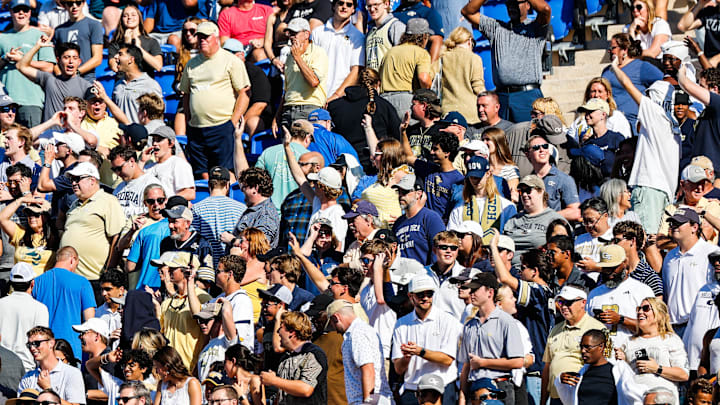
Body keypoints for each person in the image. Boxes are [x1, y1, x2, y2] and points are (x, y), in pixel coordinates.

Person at [610, 55, 680, 234]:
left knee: (644, 241)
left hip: (649, 188)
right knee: (655, 242)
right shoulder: (674, 123)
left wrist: (615, 67)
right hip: (666, 191)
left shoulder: (654, 112)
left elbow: (627, 84)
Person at [178, 21, 250, 179]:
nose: (202, 40)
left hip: (222, 126)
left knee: (226, 173)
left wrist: (233, 121)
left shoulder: (230, 60)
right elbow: (186, 94)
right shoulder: (191, 64)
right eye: (200, 37)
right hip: (197, 128)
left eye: (206, 37)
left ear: (216, 37)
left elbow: (244, 93)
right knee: (202, 174)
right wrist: (189, 120)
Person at [461, 0, 551, 121]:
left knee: (529, 136)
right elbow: (467, 12)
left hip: (527, 96)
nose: (512, 7)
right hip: (501, 97)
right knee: (500, 138)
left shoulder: (536, 28)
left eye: (516, 2)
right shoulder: (497, 28)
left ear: (528, 4)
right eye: (509, 3)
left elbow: (545, 9)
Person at [391, 275, 462, 404]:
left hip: (442, 387)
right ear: (410, 296)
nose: (425, 298)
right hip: (413, 387)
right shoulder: (401, 324)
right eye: (420, 295)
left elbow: (447, 359)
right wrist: (406, 358)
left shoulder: (448, 320)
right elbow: (399, 369)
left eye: (429, 294)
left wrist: (420, 352)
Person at [459, 273, 524, 404]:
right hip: (475, 388)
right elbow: (466, 365)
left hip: (499, 387)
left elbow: (518, 361)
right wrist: (462, 396)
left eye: (476, 289)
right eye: (470, 290)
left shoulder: (506, 321)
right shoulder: (469, 325)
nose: (471, 294)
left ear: (490, 292)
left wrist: (483, 363)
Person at [59, 162, 126, 283]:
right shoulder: (74, 205)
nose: (73, 183)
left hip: (94, 278)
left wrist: (109, 271)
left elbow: (117, 236)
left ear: (92, 180)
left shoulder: (108, 200)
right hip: (69, 277)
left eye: (77, 179)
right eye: (72, 180)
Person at [541, 285, 606, 405]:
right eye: (560, 302)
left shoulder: (597, 329)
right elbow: (547, 368)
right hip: (556, 398)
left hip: (582, 397)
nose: (563, 307)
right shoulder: (555, 330)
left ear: (583, 303)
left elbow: (604, 366)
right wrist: (543, 401)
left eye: (568, 302)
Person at [327, 68, 401, 172]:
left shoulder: (334, 106)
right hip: (374, 165)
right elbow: (397, 137)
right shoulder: (384, 106)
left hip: (343, 165)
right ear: (378, 84)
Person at [616, 298, 689, 402]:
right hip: (635, 399)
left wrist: (657, 368)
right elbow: (625, 376)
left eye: (646, 308)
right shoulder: (628, 342)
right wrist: (622, 361)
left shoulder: (670, 339)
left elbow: (683, 374)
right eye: (638, 309)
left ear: (659, 315)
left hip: (662, 399)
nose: (640, 312)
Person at [661, 207, 717, 337]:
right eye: (672, 223)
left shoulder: (712, 253)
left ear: (694, 227)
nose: (674, 227)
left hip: (702, 326)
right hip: (673, 328)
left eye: (679, 223)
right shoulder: (670, 257)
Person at [586, 244, 655, 348]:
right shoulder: (594, 294)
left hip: (633, 354)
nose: (609, 273)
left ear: (624, 263)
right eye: (605, 268)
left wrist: (621, 320)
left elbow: (653, 328)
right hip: (603, 357)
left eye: (613, 268)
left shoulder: (642, 291)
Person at [0, 0, 56, 128]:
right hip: (5, 102)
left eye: (25, 10)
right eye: (17, 10)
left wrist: (22, 59)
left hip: (31, 100)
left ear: (30, 13)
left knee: (30, 143)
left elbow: (48, 67)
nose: (21, 13)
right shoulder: (2, 38)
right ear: (10, 12)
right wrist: (5, 58)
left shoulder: (40, 35)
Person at [32, 246, 95, 358]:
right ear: (73, 259)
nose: (76, 268)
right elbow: (90, 320)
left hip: (43, 346)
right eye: (77, 264)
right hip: (71, 348)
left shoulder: (37, 282)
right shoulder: (82, 282)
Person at [327, 300, 392, 405]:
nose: (334, 329)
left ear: (336, 318)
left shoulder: (357, 333)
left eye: (332, 324)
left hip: (369, 400)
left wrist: (368, 402)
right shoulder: (360, 331)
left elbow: (368, 369)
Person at [555, 329, 645, 405]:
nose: (583, 351)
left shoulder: (618, 372)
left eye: (588, 347)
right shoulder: (582, 373)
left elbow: (637, 394)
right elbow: (569, 401)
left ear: (601, 347)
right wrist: (560, 381)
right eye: (581, 347)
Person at [16, 39, 92, 123]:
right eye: (66, 57)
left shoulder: (86, 86)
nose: (71, 61)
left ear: (79, 61)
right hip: (49, 134)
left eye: (74, 58)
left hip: (72, 134)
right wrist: (37, 47)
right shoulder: (49, 79)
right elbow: (21, 66)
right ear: (58, 60)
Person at [259, 311, 328, 404]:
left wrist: (274, 380)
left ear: (291, 332)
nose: (278, 332)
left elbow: (306, 388)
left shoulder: (313, 355)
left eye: (281, 328)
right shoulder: (286, 356)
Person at [602, 33, 663, 132]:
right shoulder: (606, 71)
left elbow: (663, 82)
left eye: (613, 48)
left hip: (631, 123)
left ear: (624, 49)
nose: (610, 51)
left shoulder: (641, 67)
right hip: (609, 122)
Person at [447, 156, 516, 240]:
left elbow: (511, 238)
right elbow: (452, 236)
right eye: (472, 177)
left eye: (479, 176)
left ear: (488, 174)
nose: (476, 180)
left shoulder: (506, 206)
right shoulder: (459, 207)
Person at [277, 18, 329, 127]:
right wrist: (277, 116)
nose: (291, 37)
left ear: (306, 34)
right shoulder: (290, 57)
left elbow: (314, 82)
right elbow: (287, 90)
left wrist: (297, 57)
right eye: (289, 33)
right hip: (288, 109)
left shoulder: (318, 52)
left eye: (295, 33)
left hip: (309, 109)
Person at [503, 175, 565, 266]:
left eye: (528, 190)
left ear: (541, 192)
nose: (524, 194)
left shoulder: (555, 220)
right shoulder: (513, 220)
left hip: (537, 271)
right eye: (521, 191)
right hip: (509, 270)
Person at [309, 0, 365, 102]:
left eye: (349, 4)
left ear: (353, 9)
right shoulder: (317, 33)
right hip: (314, 98)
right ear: (334, 6)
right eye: (340, 3)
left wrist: (335, 96)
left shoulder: (358, 37)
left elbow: (356, 71)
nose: (344, 7)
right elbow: (310, 65)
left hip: (341, 99)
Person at [379, 18, 433, 120]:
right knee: (411, 133)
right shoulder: (421, 53)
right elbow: (424, 79)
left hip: (383, 100)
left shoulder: (390, 52)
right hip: (406, 101)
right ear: (423, 36)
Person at [191, 166, 246, 266]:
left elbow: (194, 241)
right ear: (227, 185)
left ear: (209, 185)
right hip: (232, 269)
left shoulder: (196, 209)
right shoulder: (241, 208)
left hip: (206, 269)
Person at [0, 263, 49, 372]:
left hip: (2, 367)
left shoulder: (1, 304)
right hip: (26, 368)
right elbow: (41, 344)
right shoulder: (40, 308)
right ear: (32, 283)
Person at [18, 326, 86, 404]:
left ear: (51, 343)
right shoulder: (27, 377)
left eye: (37, 343)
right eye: (29, 345)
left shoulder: (72, 373)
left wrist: (48, 389)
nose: (32, 348)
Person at [657, 164, 720, 248]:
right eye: (695, 183)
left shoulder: (711, 206)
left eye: (702, 183)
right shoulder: (671, 208)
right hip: (677, 259)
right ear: (682, 184)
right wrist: (692, 239)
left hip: (703, 259)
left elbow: (707, 233)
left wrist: (674, 238)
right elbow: (660, 242)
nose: (700, 188)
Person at [391, 173, 445, 265]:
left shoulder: (430, 218)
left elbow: (439, 252)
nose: (401, 195)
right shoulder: (398, 223)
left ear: (418, 194)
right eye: (398, 192)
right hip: (400, 276)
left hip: (424, 276)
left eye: (405, 192)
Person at [524, 135, 580, 221]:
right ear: (527, 154)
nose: (542, 150)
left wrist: (545, 217)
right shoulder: (527, 181)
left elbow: (575, 212)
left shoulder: (564, 179)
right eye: (536, 148)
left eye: (545, 146)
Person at [0, 191, 57, 275]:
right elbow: (2, 219)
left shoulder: (55, 237)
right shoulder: (21, 233)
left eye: (36, 214)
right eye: (29, 213)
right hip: (19, 286)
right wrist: (21, 200)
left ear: (46, 216)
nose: (31, 217)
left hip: (42, 285)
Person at [227, 167, 280, 248]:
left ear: (256, 188)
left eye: (244, 186)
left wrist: (233, 240)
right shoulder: (255, 209)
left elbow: (261, 246)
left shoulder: (266, 215)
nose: (241, 190)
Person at [439, 26, 484, 120]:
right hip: (469, 114)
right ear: (469, 41)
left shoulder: (443, 57)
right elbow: (477, 87)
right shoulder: (474, 58)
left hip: (447, 112)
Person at [567, 77, 632, 141]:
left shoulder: (616, 117)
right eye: (593, 91)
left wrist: (595, 140)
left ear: (608, 94)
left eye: (600, 91)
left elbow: (624, 143)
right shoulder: (581, 119)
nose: (596, 95)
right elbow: (571, 141)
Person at [112, 44, 163, 125]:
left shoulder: (150, 85)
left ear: (131, 60)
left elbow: (158, 118)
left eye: (120, 54)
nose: (115, 57)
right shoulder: (118, 85)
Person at [142, 126, 196, 201]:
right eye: (153, 140)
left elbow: (190, 193)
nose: (154, 143)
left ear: (171, 143)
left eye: (159, 140)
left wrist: (166, 202)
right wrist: (142, 161)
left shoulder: (178, 164)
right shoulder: (148, 167)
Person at [109, 145, 165, 218]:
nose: (117, 173)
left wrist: (121, 211)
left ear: (131, 161)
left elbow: (155, 210)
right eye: (114, 170)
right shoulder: (119, 187)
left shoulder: (151, 184)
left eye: (119, 168)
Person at [52, 0, 102, 81]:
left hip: (86, 80)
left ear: (83, 3)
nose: (74, 6)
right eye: (70, 3)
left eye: (78, 2)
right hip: (64, 82)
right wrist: (60, 75)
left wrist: (76, 72)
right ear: (65, 6)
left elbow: (97, 58)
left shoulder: (94, 25)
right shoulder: (59, 30)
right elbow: (53, 58)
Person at [214, 254, 255, 351]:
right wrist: (189, 281)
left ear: (230, 274)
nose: (215, 274)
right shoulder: (220, 297)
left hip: (234, 361)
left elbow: (237, 340)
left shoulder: (242, 301)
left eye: (218, 271)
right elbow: (197, 311)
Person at [612, 221, 664, 297]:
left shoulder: (650, 278)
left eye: (617, 240)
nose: (613, 244)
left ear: (632, 241)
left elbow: (656, 307)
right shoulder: (610, 273)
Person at [107, 5, 163, 76]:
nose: (129, 17)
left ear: (139, 18)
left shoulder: (151, 42)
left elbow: (158, 66)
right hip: (124, 83)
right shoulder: (115, 43)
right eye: (125, 16)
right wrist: (127, 46)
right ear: (121, 20)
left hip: (145, 83)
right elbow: (115, 68)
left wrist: (139, 48)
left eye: (133, 15)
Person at [364, 0, 405, 71]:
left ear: (386, 4)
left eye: (376, 5)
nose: (372, 9)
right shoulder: (370, 32)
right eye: (369, 6)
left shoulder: (395, 27)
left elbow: (404, 59)